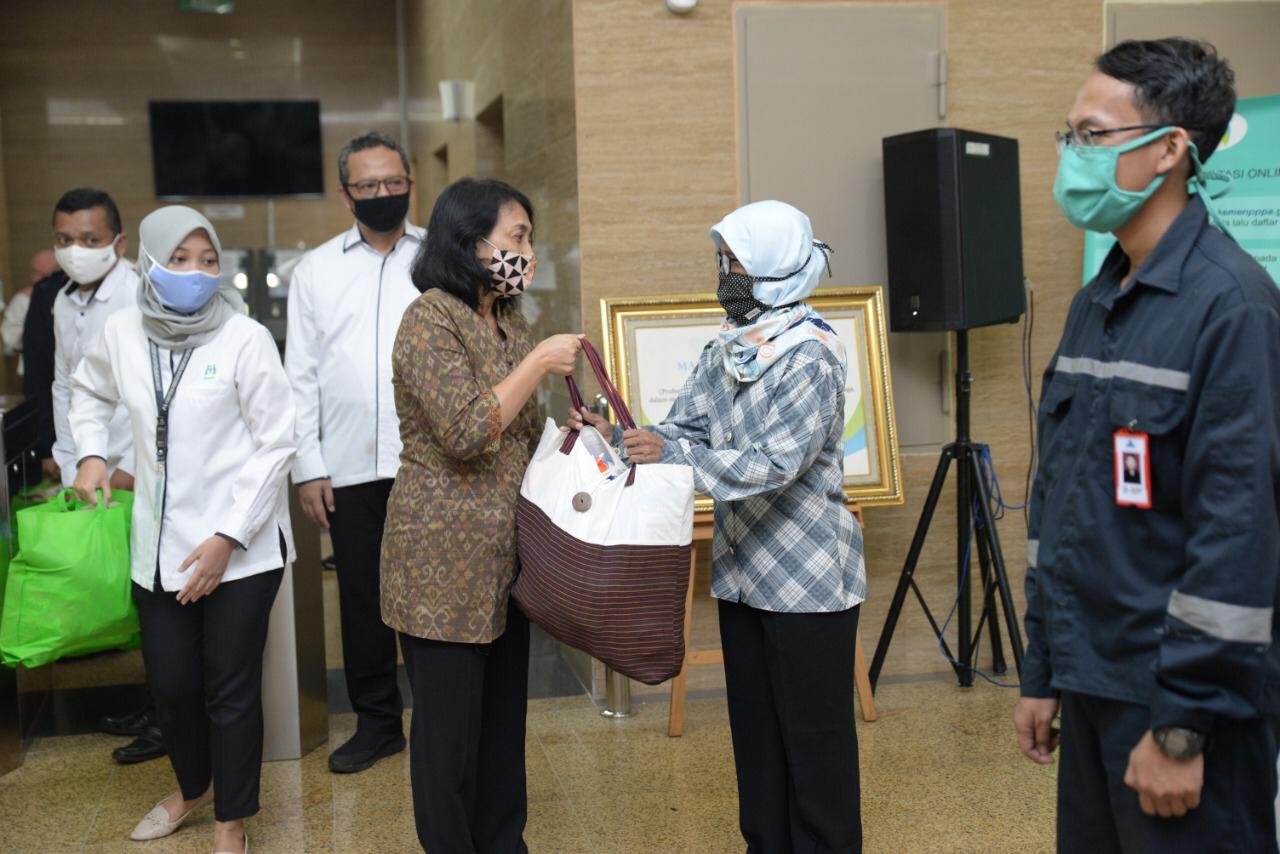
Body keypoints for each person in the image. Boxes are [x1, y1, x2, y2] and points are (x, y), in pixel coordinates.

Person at [1015, 38, 1280, 853]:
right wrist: (1043, 668)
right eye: (1068, 136)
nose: (1072, 156)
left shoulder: (1233, 308)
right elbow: (1060, 505)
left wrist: (1182, 726)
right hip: (1090, 681)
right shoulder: (1098, 301)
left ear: (1170, 150)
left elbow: (1237, 538)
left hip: (1181, 707)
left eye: (1092, 135)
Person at [570, 200, 866, 853]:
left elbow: (774, 464)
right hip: (742, 577)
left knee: (814, 748)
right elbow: (681, 432)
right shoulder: (727, 347)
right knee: (757, 742)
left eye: (735, 262)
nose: (723, 273)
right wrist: (615, 437)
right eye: (721, 259)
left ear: (774, 268)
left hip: (809, 584)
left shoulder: (810, 356)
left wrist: (671, 454)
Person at [70, 205, 296, 854]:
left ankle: (231, 819)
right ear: (148, 262)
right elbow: (87, 391)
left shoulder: (244, 337)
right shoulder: (121, 332)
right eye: (178, 259)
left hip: (241, 550)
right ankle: (192, 788)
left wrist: (228, 537)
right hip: (158, 549)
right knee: (171, 687)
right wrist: (92, 453)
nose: (196, 272)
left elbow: (276, 443)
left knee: (231, 690)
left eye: (208, 260)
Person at [382, 177, 581, 853]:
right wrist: (539, 362)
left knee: (500, 733)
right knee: (449, 742)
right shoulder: (429, 319)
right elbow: (467, 431)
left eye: (529, 237)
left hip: (505, 561)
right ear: (471, 244)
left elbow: (517, 434)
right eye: (516, 237)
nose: (528, 252)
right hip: (440, 564)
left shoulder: (509, 324)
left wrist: (571, 430)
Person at [285, 130, 422, 773]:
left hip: (430, 462)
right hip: (347, 466)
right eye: (368, 185)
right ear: (346, 195)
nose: (382, 193)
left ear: (410, 184)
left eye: (392, 182)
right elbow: (299, 376)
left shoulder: (440, 258)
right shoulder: (315, 270)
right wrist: (308, 467)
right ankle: (377, 724)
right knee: (363, 600)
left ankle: (440, 716)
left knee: (431, 594)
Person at [50, 188, 137, 491]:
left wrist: (132, 467)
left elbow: (160, 391)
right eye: (64, 240)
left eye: (90, 240)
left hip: (132, 467)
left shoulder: (137, 297)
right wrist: (68, 461)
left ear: (119, 244)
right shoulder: (63, 300)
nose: (76, 251)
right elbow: (63, 385)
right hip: (81, 464)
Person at [22, 250, 69, 481]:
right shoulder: (46, 293)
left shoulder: (132, 287)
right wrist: (46, 445)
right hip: (64, 428)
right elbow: (38, 376)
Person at [2, 249, 60, 365]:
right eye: (35, 272)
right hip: (34, 366)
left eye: (45, 275)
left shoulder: (71, 298)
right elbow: (9, 341)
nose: (35, 278)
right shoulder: (23, 300)